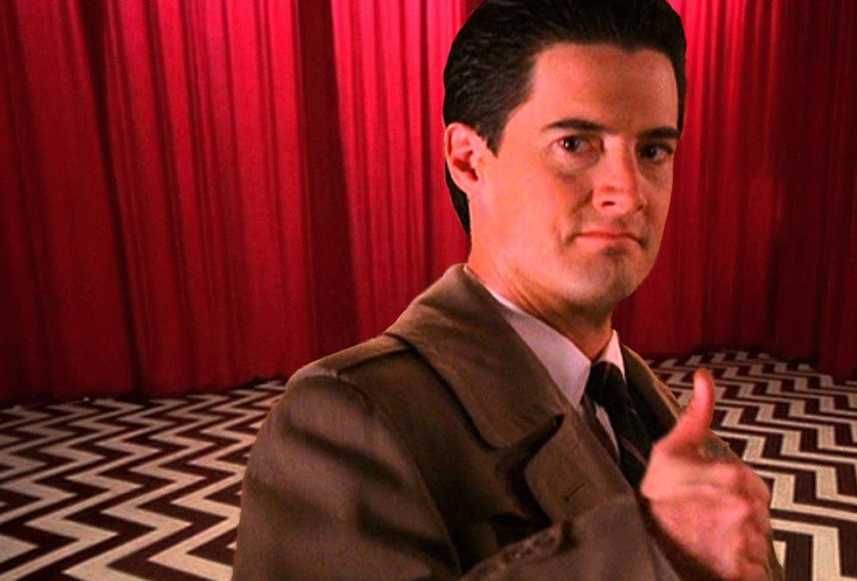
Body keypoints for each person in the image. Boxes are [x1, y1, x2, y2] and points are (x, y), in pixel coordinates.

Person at [233, 0, 782, 579]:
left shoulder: (650, 405)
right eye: (575, 144)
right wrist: (648, 547)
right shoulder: (344, 418)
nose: (628, 193)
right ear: (469, 161)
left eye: (652, 151)